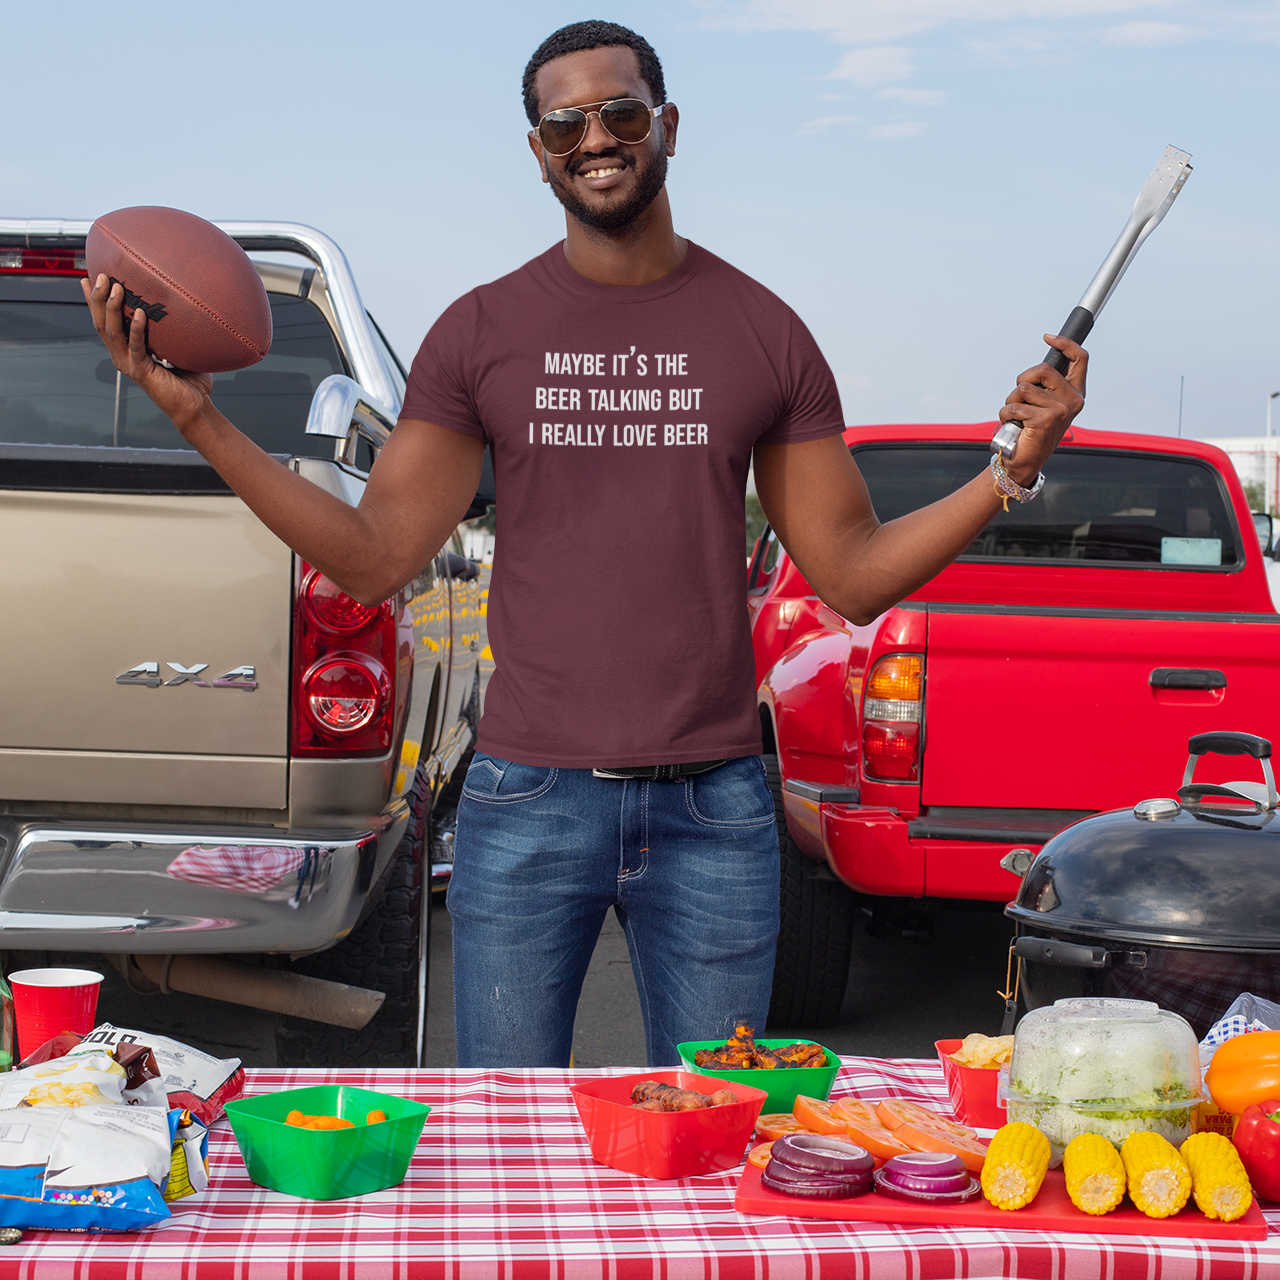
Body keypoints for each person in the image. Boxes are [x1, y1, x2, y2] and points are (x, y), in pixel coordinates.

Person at [84, 20, 1086, 1068]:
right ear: (537, 150)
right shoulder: (481, 331)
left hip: (714, 807)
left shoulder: (762, 331)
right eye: (565, 121)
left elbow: (849, 570)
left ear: (667, 126)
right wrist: (197, 417)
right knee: (511, 1142)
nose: (595, 137)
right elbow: (375, 557)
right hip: (529, 797)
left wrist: (1006, 469)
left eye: (620, 112)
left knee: (708, 1135)